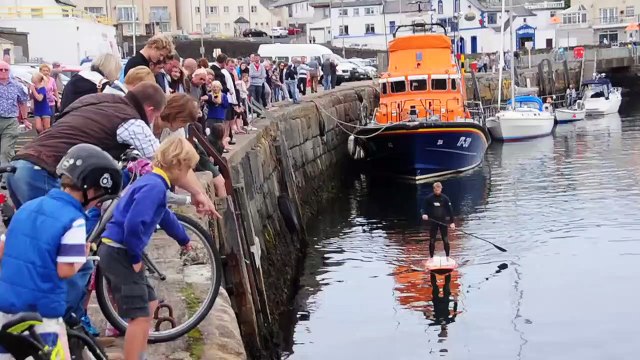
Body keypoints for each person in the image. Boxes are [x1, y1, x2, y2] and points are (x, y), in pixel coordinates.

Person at [0, 143, 122, 359]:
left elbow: (3, 248)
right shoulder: (73, 220)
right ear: (90, 190)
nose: (95, 205)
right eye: (99, 198)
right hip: (43, 312)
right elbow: (65, 270)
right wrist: (81, 257)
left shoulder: (28, 207)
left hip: (6, 305)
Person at [98, 136, 197, 360]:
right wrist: (134, 256)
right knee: (139, 316)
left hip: (121, 249)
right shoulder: (154, 188)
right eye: (188, 168)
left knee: (149, 304)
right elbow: (133, 224)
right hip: (120, 251)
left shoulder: (153, 183)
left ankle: (139, 353)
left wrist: (183, 239)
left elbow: (164, 216)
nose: (188, 174)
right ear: (178, 165)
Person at [0, 61, 28, 176]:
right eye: (0, 70)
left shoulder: (17, 85)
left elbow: (23, 102)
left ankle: (5, 177)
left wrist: (25, 119)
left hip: (11, 121)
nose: (3, 72)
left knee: (6, 150)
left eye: (5, 69)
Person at [421, 182, 455, 259]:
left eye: (439, 190)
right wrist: (424, 214)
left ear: (441, 189)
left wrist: (452, 222)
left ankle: (447, 257)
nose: (437, 191)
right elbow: (423, 208)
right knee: (432, 240)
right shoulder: (429, 198)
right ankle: (431, 257)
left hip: (443, 222)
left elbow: (450, 211)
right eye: (436, 190)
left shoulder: (445, 198)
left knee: (445, 239)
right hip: (433, 222)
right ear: (434, 189)